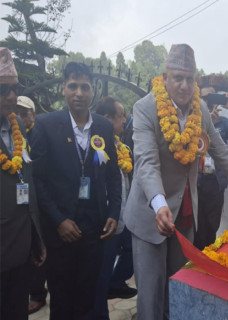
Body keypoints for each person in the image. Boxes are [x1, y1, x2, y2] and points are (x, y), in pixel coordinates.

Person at [123, 43, 228, 320]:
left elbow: (221, 150)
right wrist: (158, 203)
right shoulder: (145, 108)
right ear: (165, 77)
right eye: (177, 78)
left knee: (179, 288)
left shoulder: (200, 108)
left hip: (184, 214)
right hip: (150, 215)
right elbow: (145, 162)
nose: (183, 85)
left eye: (189, 79)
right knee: (151, 296)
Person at [31, 62, 121, 320]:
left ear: (92, 90)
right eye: (73, 86)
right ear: (63, 89)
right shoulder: (46, 125)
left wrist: (114, 211)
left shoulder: (103, 127)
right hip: (60, 233)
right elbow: (38, 181)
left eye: (84, 87)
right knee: (61, 300)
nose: (79, 93)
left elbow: (113, 174)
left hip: (94, 229)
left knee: (88, 298)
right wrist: (58, 221)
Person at [0, 46, 46, 320]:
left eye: (15, 88)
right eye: (3, 89)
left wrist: (36, 237)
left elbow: (27, 180)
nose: (12, 96)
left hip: (21, 246)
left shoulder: (17, 124)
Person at [93, 96, 137, 320]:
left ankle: (116, 282)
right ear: (107, 119)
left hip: (124, 217)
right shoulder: (96, 146)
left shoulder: (121, 146)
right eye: (121, 117)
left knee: (132, 252)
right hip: (107, 222)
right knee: (99, 276)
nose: (124, 122)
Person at [194, 86, 228, 249]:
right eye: (205, 97)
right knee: (195, 227)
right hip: (196, 182)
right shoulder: (193, 121)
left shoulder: (222, 122)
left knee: (212, 225)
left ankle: (207, 258)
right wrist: (204, 124)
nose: (209, 101)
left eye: (212, 96)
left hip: (215, 182)